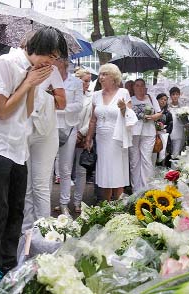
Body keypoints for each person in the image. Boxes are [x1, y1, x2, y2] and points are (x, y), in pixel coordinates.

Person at [0, 27, 60, 290]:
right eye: (48, 55)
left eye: (54, 58)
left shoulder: (32, 71)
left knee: (16, 210)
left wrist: (32, 84)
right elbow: (2, 111)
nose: (50, 62)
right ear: (36, 48)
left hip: (18, 147)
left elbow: (27, 111)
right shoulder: (5, 63)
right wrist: (28, 83)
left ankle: (9, 266)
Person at [22, 31, 67, 232]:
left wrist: (43, 93)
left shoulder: (53, 72)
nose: (52, 59)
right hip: (22, 129)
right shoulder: (19, 66)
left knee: (40, 184)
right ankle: (25, 232)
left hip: (45, 132)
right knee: (25, 187)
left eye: (55, 57)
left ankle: (44, 232)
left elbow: (62, 102)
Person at [85, 64, 136, 201]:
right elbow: (93, 120)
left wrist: (124, 108)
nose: (101, 77)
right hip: (101, 139)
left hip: (117, 138)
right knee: (105, 172)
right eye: (100, 74)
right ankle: (106, 205)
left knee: (117, 172)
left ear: (114, 77)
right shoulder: (95, 95)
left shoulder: (123, 93)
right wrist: (89, 138)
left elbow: (131, 117)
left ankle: (119, 206)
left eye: (105, 74)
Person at [53, 59, 83, 215]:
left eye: (57, 63)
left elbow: (79, 105)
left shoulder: (76, 82)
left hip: (69, 128)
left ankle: (64, 203)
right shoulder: (48, 79)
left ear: (64, 65)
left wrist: (61, 108)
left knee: (65, 168)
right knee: (48, 169)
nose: (54, 66)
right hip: (50, 128)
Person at [129, 79, 162, 192]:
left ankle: (147, 189)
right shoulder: (130, 100)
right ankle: (136, 190)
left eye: (142, 85)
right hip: (134, 133)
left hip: (149, 132)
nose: (140, 88)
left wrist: (152, 117)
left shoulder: (151, 98)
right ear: (133, 88)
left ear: (145, 87)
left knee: (146, 160)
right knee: (134, 161)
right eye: (137, 86)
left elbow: (159, 113)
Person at [72, 68, 93, 212]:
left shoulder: (91, 97)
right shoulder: (70, 94)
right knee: (65, 170)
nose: (88, 84)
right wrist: (71, 132)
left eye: (89, 81)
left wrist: (81, 133)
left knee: (81, 171)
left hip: (82, 136)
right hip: (67, 135)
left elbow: (92, 118)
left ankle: (77, 201)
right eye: (85, 81)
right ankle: (63, 200)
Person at [154, 93, 172, 166]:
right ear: (157, 100)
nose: (163, 101)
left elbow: (170, 127)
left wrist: (163, 129)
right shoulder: (153, 111)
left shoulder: (168, 113)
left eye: (165, 100)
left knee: (162, 157)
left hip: (164, 138)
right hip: (153, 136)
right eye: (161, 99)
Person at [168, 87, 185, 157]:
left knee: (176, 154)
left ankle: (174, 168)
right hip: (169, 133)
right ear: (170, 95)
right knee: (166, 154)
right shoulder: (167, 107)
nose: (175, 96)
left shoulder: (183, 108)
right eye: (173, 94)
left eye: (177, 94)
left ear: (179, 95)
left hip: (179, 133)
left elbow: (185, 121)